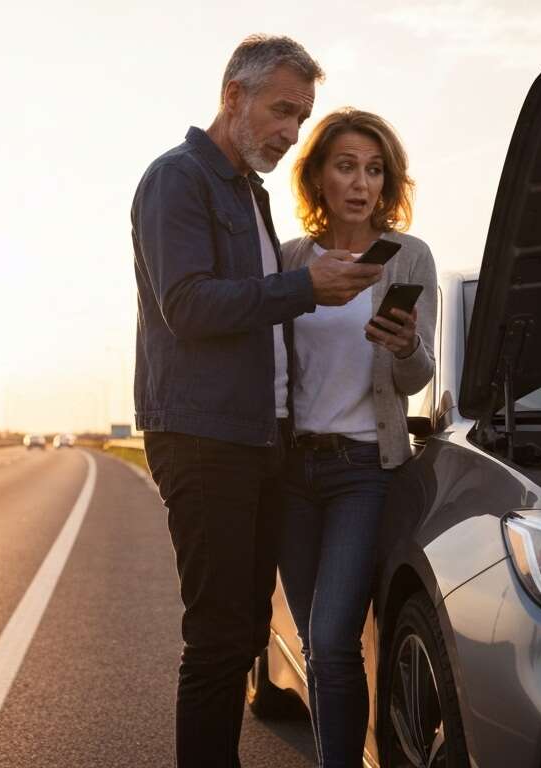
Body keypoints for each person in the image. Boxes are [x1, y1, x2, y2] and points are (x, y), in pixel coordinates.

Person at [130, 37, 383, 767]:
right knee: (216, 640)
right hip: (202, 437)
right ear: (233, 96)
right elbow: (189, 305)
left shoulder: (250, 191)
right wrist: (308, 288)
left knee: (244, 636)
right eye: (281, 110)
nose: (291, 132)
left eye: (301, 118)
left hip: (258, 439)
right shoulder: (177, 181)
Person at [278, 108, 437, 767]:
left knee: (336, 636)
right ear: (317, 175)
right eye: (345, 166)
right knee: (319, 647)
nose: (361, 182)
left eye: (374, 170)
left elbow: (417, 374)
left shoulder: (408, 257)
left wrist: (404, 348)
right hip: (292, 472)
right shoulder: (290, 260)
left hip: (365, 471)